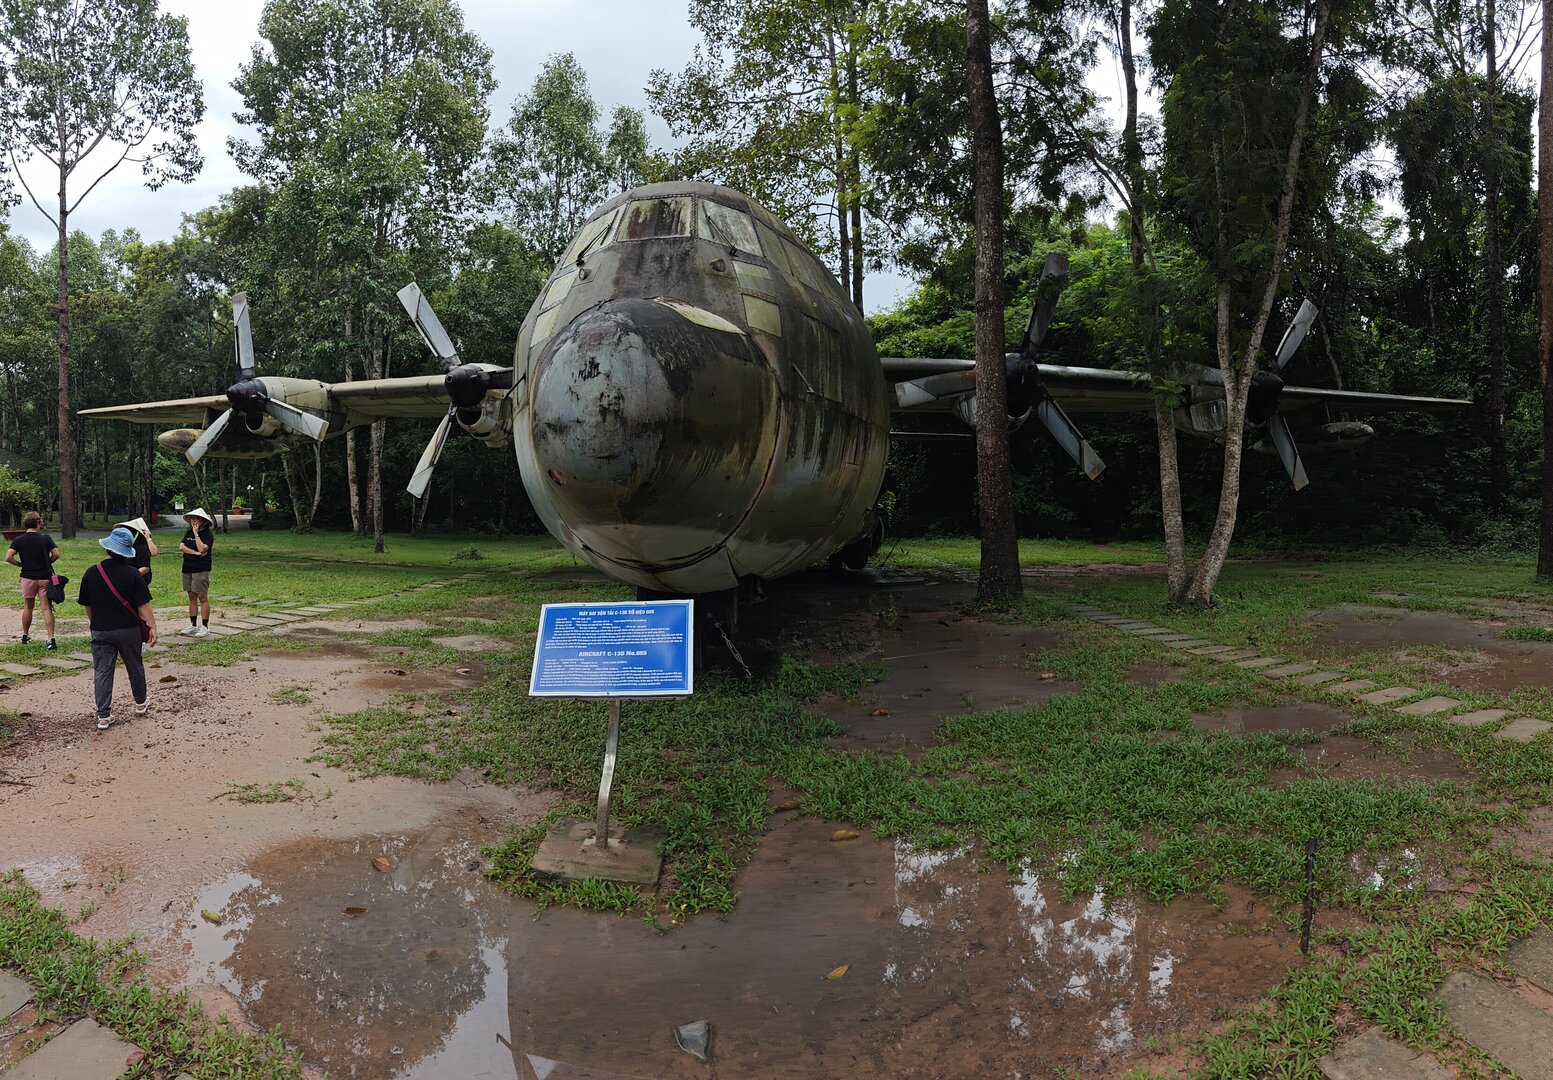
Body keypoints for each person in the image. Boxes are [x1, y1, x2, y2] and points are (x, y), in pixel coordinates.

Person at [78, 526, 157, 730]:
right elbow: (143, 605)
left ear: (108, 549)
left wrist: (94, 622)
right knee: (134, 665)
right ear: (127, 552)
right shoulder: (133, 574)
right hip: (129, 629)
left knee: (102, 671)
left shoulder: (91, 572)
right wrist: (152, 626)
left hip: (101, 630)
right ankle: (140, 703)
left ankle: (103, 716)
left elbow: (87, 604)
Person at [5, 511, 60, 649]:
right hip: (44, 578)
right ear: (37, 523)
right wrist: (48, 562)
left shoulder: (18, 540)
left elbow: (8, 557)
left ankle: (25, 635)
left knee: (28, 606)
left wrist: (20, 564)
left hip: (27, 577)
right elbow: (56, 554)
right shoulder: (45, 538)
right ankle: (50, 639)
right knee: (46, 608)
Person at [178, 507, 214, 637]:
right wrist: (195, 553)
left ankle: (204, 626)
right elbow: (181, 547)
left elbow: (203, 549)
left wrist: (196, 534)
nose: (194, 522)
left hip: (201, 568)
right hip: (187, 567)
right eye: (192, 519)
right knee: (191, 596)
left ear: (202, 521)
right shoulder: (188, 533)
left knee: (202, 597)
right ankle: (192, 625)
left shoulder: (207, 534)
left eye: (196, 519)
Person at [116, 516, 158, 585]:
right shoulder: (121, 546)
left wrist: (148, 538)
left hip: (139, 581)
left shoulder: (141, 547)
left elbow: (153, 553)